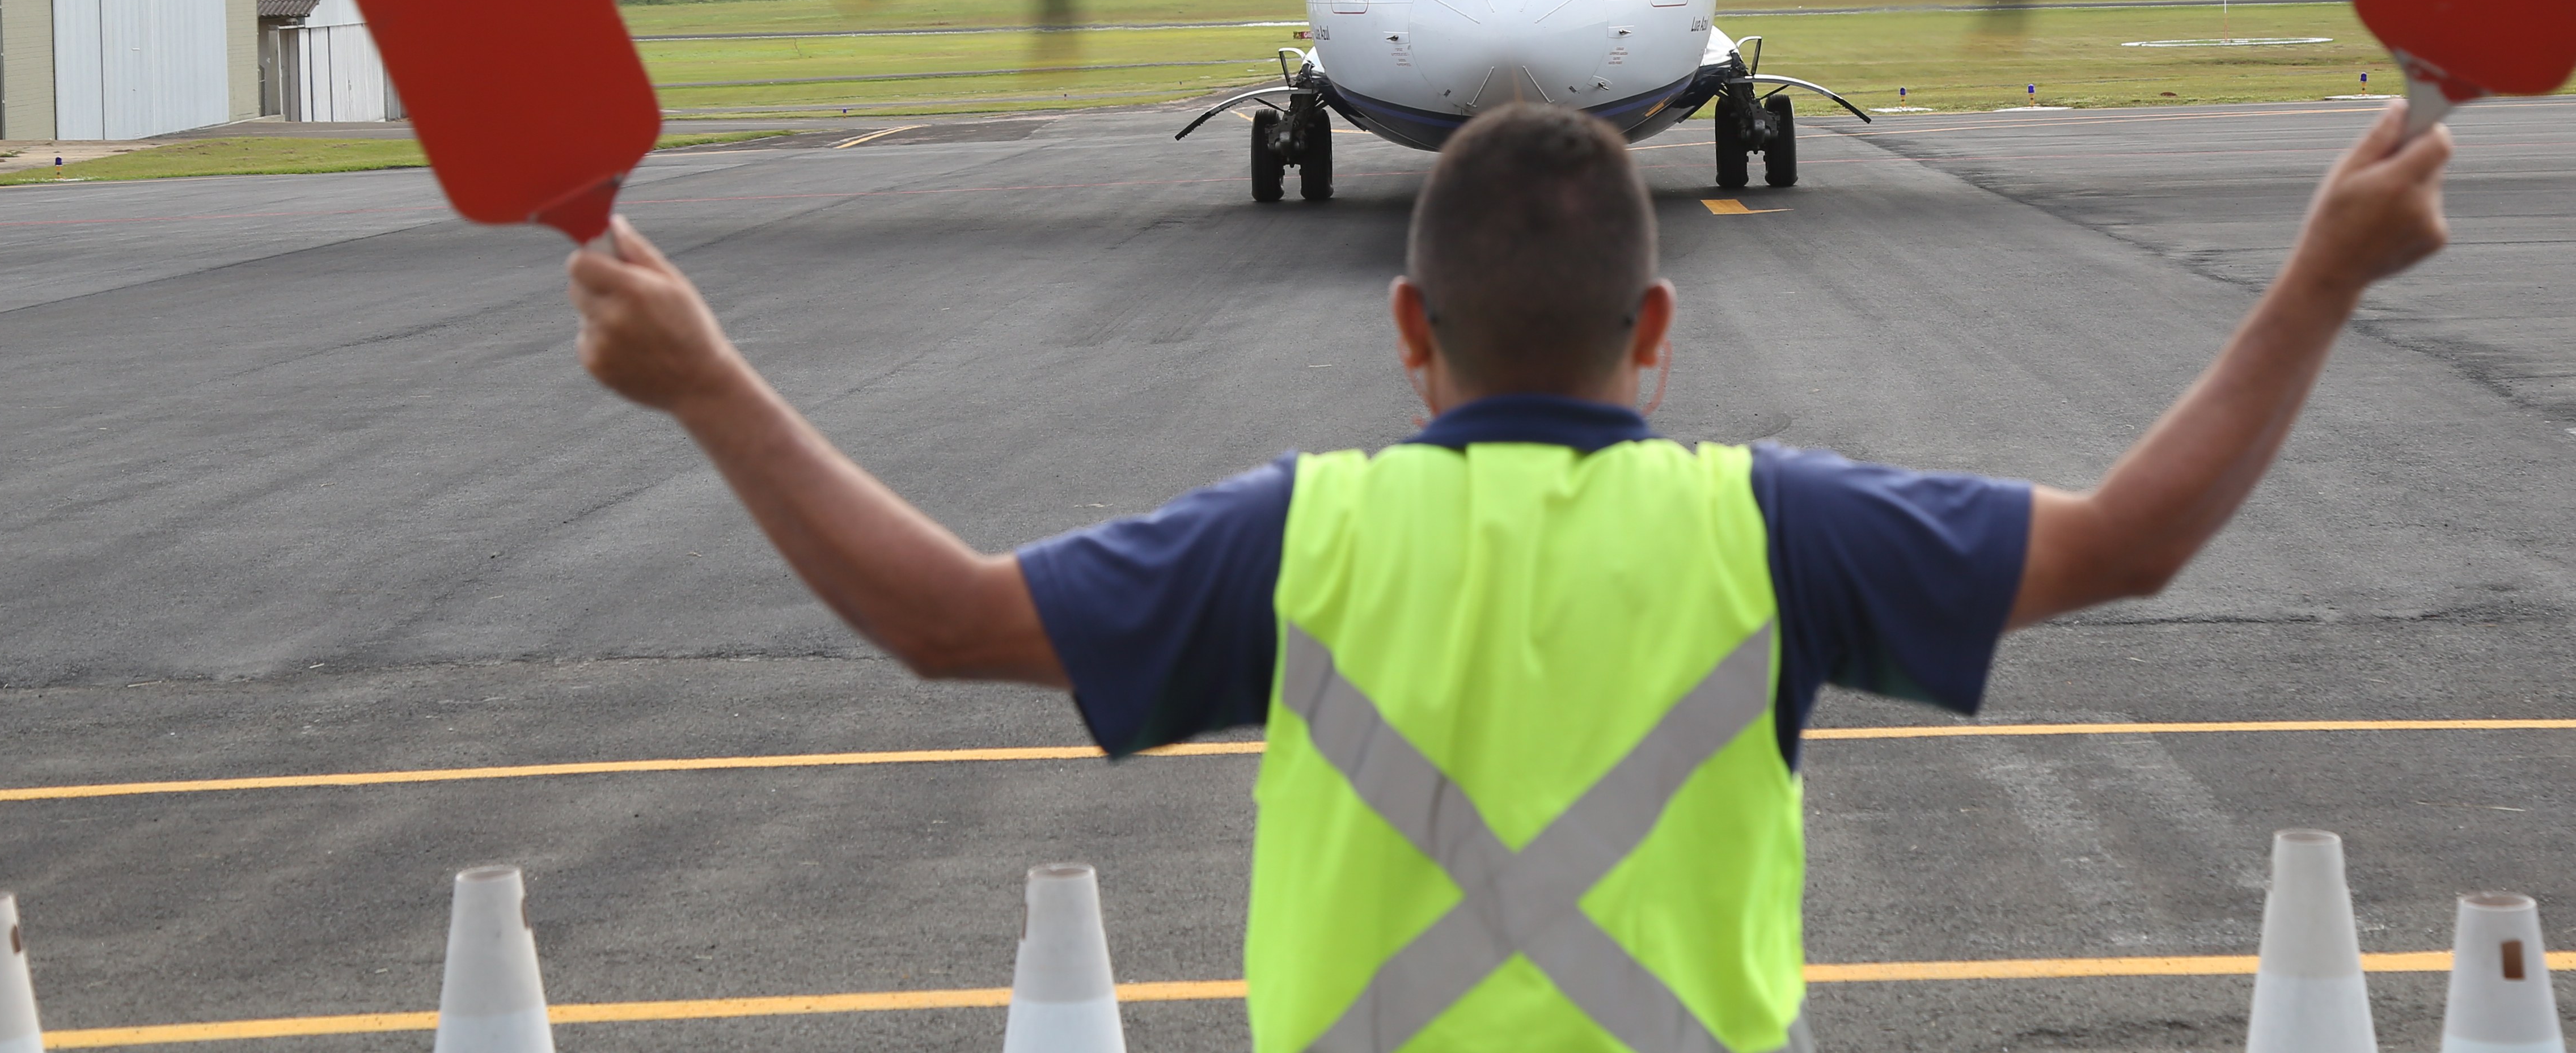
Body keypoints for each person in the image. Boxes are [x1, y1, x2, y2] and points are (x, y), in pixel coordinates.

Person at [569, 99, 2451, 1052]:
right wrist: (2326, 273)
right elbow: (2134, 539)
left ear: (1410, 327)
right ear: (1655, 324)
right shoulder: (1766, 530)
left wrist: (707, 380)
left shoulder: (1302, 540)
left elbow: (939, 617)